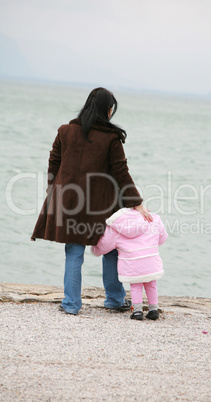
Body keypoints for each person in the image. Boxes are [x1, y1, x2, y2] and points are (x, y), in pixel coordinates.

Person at [31, 87, 152, 315]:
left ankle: (71, 305)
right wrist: (137, 203)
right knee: (111, 250)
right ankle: (115, 300)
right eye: (110, 109)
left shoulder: (65, 131)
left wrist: (53, 192)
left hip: (69, 202)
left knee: (74, 251)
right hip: (102, 205)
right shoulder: (110, 137)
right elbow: (121, 172)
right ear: (106, 110)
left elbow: (53, 163)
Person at [91, 207, 168, 320]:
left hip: (132, 264)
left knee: (135, 286)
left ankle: (137, 312)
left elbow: (105, 245)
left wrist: (94, 250)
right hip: (150, 261)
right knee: (152, 284)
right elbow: (162, 239)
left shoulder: (117, 225)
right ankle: (153, 310)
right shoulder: (153, 218)